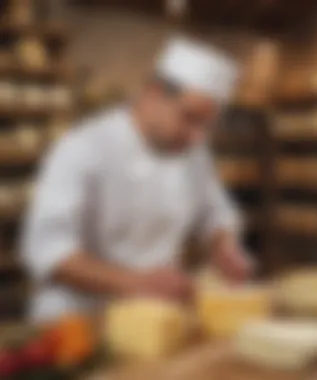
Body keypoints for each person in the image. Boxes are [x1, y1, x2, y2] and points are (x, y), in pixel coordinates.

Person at [21, 37, 254, 321]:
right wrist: (133, 283)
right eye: (190, 118)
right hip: (79, 321)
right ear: (154, 93)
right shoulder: (83, 146)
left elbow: (214, 213)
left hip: (156, 318)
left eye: (205, 126)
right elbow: (48, 249)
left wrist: (224, 247)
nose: (197, 137)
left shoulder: (192, 152)